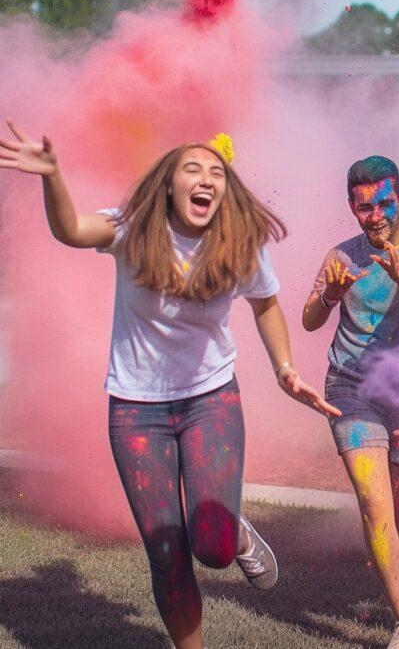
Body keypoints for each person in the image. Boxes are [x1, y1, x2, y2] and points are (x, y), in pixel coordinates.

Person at [0, 121, 339, 649]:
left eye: (216, 173)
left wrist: (285, 367)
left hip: (211, 400)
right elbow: (70, 229)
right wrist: (52, 176)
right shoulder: (132, 229)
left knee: (212, 548)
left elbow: (266, 304)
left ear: (225, 189)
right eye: (192, 169)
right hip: (136, 412)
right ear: (168, 185)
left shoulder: (239, 243)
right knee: (166, 554)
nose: (206, 179)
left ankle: (233, 532)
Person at [302, 156, 399, 649]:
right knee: (375, 503)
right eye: (364, 208)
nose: (375, 216)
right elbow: (309, 320)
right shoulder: (341, 255)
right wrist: (330, 296)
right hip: (351, 391)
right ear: (351, 207)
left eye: (384, 204)